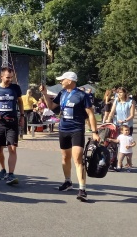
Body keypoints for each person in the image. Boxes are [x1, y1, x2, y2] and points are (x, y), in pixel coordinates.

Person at [39, 71, 99, 202]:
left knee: (77, 159)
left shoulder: (82, 95)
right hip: (63, 129)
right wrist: (44, 94)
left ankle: (82, 189)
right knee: (65, 157)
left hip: (77, 130)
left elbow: (90, 114)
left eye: (63, 80)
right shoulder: (62, 93)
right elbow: (51, 106)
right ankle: (68, 182)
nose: (61, 82)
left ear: (70, 81)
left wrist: (95, 132)